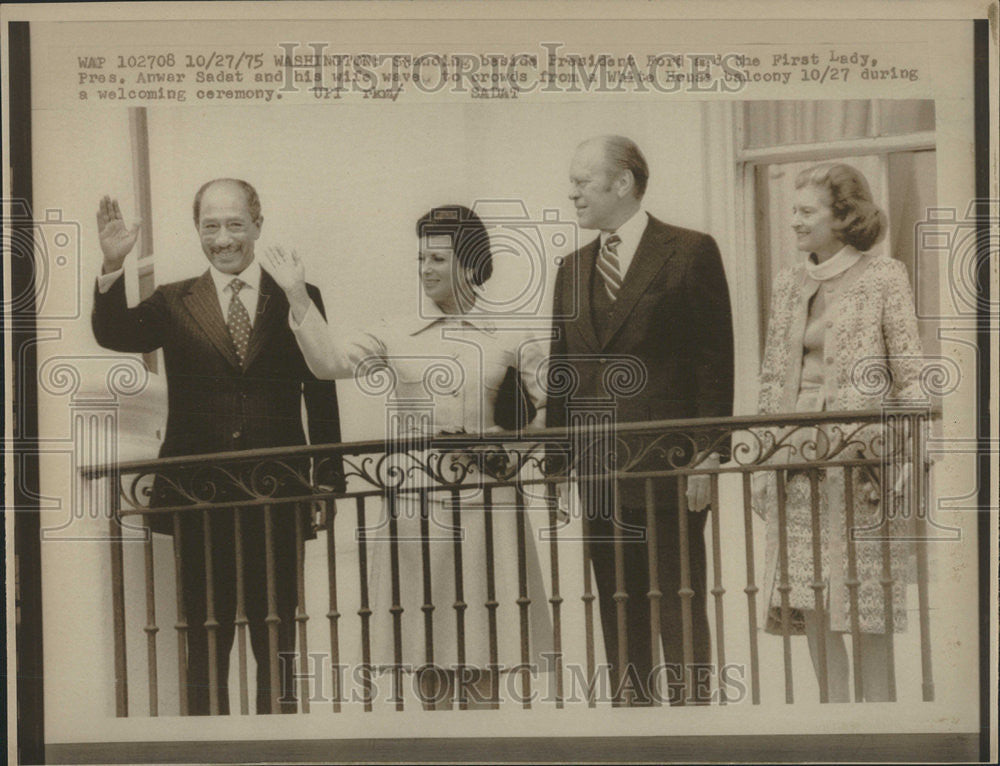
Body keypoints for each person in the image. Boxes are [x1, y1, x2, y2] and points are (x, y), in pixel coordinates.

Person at [263, 205, 553, 708]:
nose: (425, 268)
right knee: (425, 649)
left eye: (438, 257)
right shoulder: (395, 331)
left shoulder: (510, 333)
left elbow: (552, 408)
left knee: (488, 646)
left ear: (469, 263)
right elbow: (328, 363)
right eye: (421, 257)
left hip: (491, 511)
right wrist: (295, 294)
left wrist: (511, 450)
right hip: (419, 512)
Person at [91, 180, 343, 715]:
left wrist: (327, 479)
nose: (223, 239)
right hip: (198, 498)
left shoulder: (298, 294)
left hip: (278, 493)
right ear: (198, 230)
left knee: (276, 641)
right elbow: (115, 332)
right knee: (206, 638)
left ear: (256, 224)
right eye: (210, 226)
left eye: (233, 224)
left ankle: (279, 750)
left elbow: (321, 393)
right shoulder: (173, 301)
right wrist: (113, 265)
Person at [547, 136, 734, 704]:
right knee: (618, 611)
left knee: (678, 610)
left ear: (622, 182)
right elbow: (562, 367)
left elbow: (713, 358)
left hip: (670, 471)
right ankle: (634, 728)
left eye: (582, 180)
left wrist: (709, 451)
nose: (571, 191)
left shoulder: (689, 250)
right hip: (600, 475)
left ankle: (694, 731)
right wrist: (558, 464)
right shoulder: (571, 268)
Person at [754, 162, 923, 701]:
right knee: (812, 600)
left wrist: (906, 458)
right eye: (793, 211)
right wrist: (763, 462)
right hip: (797, 462)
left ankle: (880, 726)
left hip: (864, 467)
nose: (795, 223)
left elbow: (911, 375)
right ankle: (834, 719)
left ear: (843, 216)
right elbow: (771, 376)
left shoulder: (884, 276)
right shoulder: (788, 283)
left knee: (867, 603)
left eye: (806, 212)